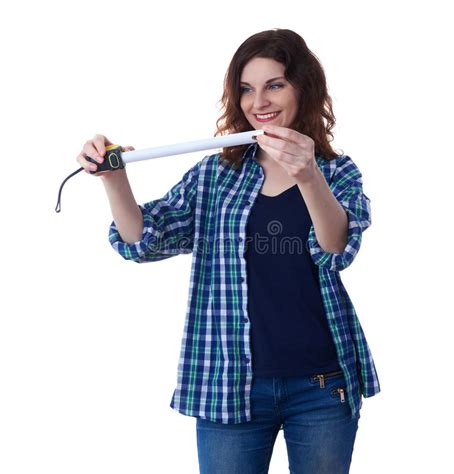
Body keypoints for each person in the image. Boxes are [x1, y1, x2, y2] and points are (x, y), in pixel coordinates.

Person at [76, 28, 381, 474]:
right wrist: (113, 178)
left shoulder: (337, 173)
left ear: (304, 88)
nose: (259, 102)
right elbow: (143, 240)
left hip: (321, 384)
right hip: (227, 384)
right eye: (246, 89)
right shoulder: (214, 175)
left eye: (274, 84)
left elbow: (336, 249)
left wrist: (308, 175)